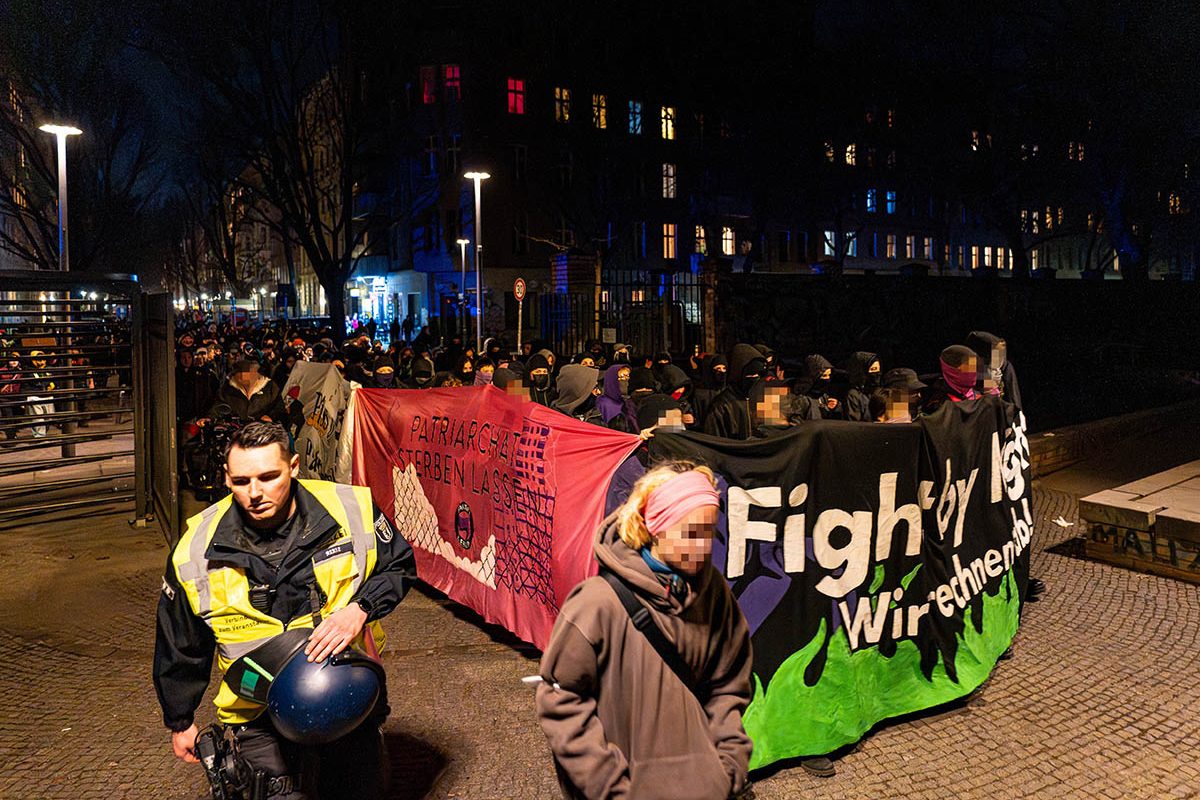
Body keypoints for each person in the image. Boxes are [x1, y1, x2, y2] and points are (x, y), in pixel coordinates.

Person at [153, 422, 417, 799]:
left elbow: (399, 565)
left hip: (346, 699)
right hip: (256, 714)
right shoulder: (194, 551)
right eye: (242, 481)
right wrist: (180, 720)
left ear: (293, 466)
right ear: (226, 477)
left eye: (269, 476)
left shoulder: (350, 509)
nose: (255, 493)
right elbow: (180, 642)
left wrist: (362, 607)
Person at [535, 462, 753, 800]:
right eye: (691, 533)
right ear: (655, 528)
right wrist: (610, 786)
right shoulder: (596, 603)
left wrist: (728, 765)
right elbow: (560, 697)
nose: (704, 546)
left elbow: (729, 683)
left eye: (709, 531)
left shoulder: (714, 594)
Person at [702, 344, 767, 440]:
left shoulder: (762, 400)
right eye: (751, 374)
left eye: (758, 374)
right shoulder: (721, 407)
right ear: (738, 373)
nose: (755, 378)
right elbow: (713, 443)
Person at [211, 358, 289, 424]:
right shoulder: (227, 389)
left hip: (263, 433)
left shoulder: (270, 388)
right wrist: (209, 418)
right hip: (237, 434)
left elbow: (279, 410)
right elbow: (218, 407)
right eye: (239, 373)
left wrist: (270, 417)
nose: (242, 376)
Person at [843, 351, 881, 422]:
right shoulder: (854, 395)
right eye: (873, 369)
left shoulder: (879, 391)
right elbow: (855, 424)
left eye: (878, 369)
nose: (877, 373)